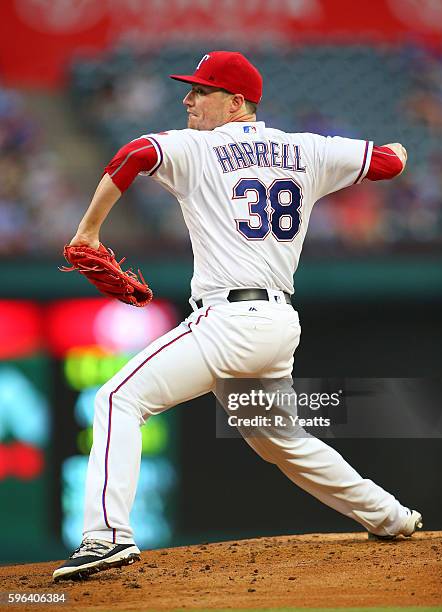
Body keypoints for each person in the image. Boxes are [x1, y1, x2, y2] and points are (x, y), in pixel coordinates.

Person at [53, 51, 422, 581]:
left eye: (200, 91)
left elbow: (133, 153)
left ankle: (106, 537)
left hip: (228, 321)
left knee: (117, 399)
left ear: (235, 102)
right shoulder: (308, 149)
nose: (187, 99)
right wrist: (402, 150)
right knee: (281, 441)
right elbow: (388, 163)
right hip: (276, 326)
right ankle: (389, 515)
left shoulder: (197, 148)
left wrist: (87, 232)